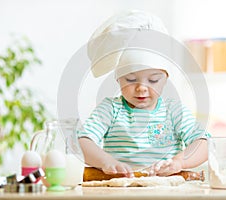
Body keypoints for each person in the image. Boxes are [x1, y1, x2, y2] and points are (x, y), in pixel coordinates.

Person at [77, 10, 210, 178]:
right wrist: (105, 161)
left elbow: (203, 143)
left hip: (167, 191)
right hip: (120, 191)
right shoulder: (111, 109)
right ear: (118, 80)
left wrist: (179, 162)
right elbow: (82, 141)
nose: (141, 88)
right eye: (130, 79)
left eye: (153, 80)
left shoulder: (173, 111)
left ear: (165, 79)